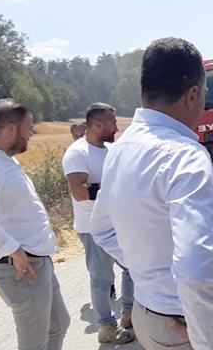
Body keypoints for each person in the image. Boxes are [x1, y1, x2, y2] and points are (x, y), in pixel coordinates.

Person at [89, 37, 213, 350]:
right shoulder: (185, 156)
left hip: (149, 317)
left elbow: (101, 228)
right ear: (192, 94)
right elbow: (195, 266)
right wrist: (206, 341)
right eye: (204, 94)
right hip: (190, 327)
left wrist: (150, 272)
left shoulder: (120, 151)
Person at [0, 98, 70, 350]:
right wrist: (14, 250)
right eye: (28, 128)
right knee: (34, 343)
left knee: (58, 325)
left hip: (36, 264)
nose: (31, 134)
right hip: (23, 269)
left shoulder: (4, 162)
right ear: (11, 129)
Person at [61, 102, 135, 344]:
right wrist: (114, 189)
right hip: (92, 227)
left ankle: (129, 314)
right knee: (102, 278)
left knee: (133, 267)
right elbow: (79, 191)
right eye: (112, 122)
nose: (116, 127)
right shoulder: (78, 152)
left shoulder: (109, 150)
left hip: (118, 223)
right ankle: (106, 327)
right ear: (97, 124)